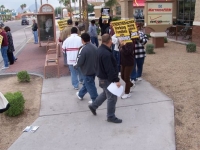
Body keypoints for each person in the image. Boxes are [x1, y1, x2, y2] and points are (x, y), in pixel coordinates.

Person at [88, 34, 122, 124]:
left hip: (101, 77)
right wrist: (116, 80)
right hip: (107, 78)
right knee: (112, 97)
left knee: (105, 94)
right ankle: (110, 116)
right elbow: (109, 69)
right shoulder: (106, 53)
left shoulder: (99, 50)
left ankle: (93, 106)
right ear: (110, 41)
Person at [74, 33, 98, 104]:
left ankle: (95, 99)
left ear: (82, 40)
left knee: (90, 85)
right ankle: (80, 94)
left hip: (87, 70)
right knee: (88, 83)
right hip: (94, 69)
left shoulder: (83, 49)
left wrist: (76, 66)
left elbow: (80, 61)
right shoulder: (94, 47)